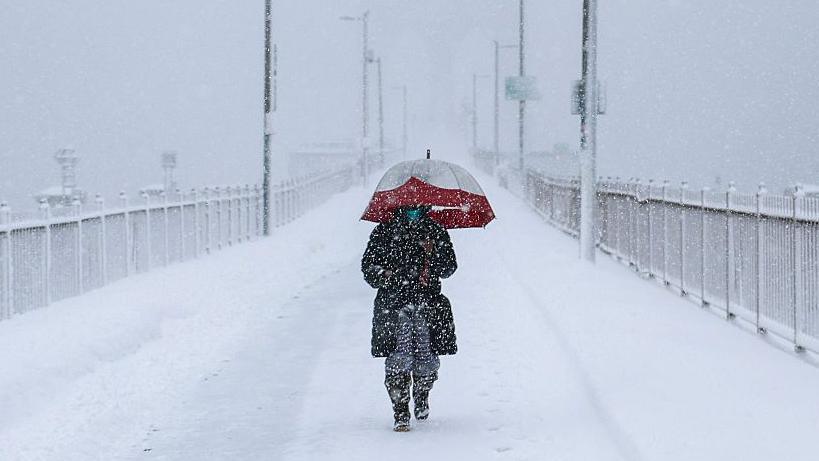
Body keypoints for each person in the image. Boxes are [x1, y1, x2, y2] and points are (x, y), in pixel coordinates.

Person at [361, 205, 458, 432]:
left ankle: (422, 393)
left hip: (427, 304)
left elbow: (449, 267)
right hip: (394, 305)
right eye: (408, 206)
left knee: (426, 355)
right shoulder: (384, 231)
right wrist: (385, 274)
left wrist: (432, 254)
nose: (413, 210)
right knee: (398, 358)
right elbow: (368, 268)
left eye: (417, 207)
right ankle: (400, 410)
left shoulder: (435, 230)